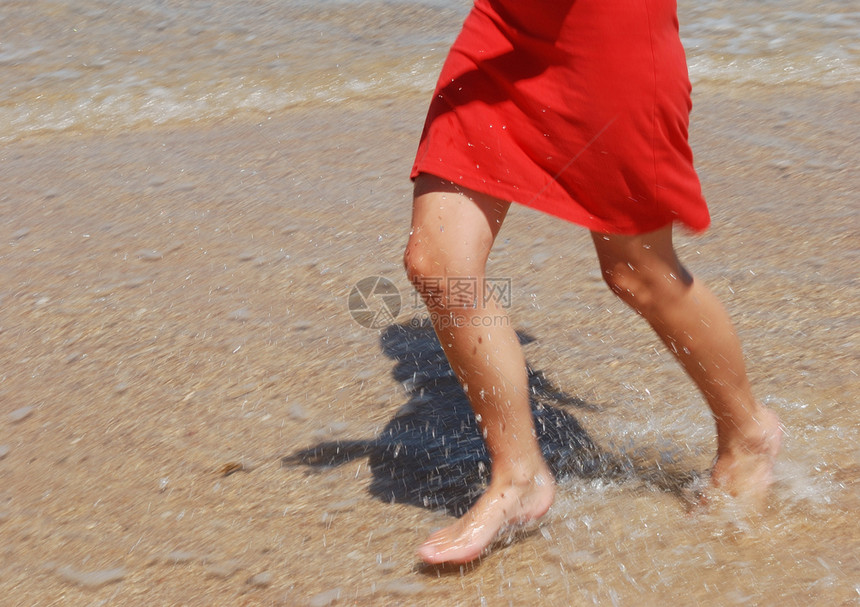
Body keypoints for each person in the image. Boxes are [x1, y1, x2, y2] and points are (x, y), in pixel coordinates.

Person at [403, 0, 782, 565]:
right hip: (503, 25)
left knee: (636, 272)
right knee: (437, 264)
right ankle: (519, 476)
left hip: (606, 32)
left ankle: (748, 435)